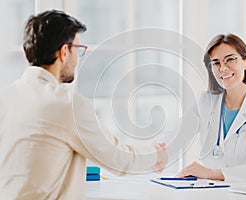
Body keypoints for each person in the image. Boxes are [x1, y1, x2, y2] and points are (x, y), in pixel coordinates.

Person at [0, 10, 167, 199]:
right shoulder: (65, 103)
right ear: (64, 52)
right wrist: (156, 155)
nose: (78, 58)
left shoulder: (6, 98)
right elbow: (117, 158)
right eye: (78, 50)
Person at [177, 34, 246, 181]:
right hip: (210, 192)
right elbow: (178, 134)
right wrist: (159, 153)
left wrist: (213, 174)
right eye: (216, 63)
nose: (223, 68)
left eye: (230, 59)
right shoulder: (205, 101)